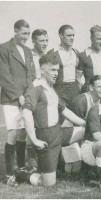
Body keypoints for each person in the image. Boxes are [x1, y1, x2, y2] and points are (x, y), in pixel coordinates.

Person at [21, 53, 86, 187]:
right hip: (45, 137)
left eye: (57, 70)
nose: (56, 73)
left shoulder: (52, 88)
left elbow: (65, 111)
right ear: (42, 70)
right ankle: (23, 173)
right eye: (52, 70)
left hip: (58, 132)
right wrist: (34, 140)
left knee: (87, 130)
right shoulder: (36, 89)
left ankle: (90, 167)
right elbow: (26, 113)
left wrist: (86, 123)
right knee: (48, 183)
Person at [0, 19, 34, 186]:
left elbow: (31, 76)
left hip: (25, 98)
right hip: (11, 99)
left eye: (28, 34)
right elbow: (4, 76)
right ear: (15, 31)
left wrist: (27, 95)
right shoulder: (4, 48)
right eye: (23, 34)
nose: (26, 37)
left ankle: (20, 168)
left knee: (22, 133)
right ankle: (8, 174)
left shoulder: (28, 51)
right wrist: (18, 96)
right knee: (13, 133)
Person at [27, 29, 49, 171]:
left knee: (44, 124)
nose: (45, 43)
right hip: (32, 92)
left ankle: (46, 159)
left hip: (46, 93)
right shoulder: (29, 55)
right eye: (42, 40)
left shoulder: (49, 55)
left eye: (46, 40)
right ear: (34, 41)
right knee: (31, 126)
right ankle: (32, 163)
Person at [48, 25, 81, 111]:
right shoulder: (53, 53)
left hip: (74, 90)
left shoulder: (76, 52)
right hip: (60, 90)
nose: (72, 38)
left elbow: (79, 73)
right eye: (69, 35)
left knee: (75, 116)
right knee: (60, 117)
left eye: (73, 35)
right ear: (61, 36)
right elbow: (48, 75)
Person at [77, 25, 101, 93]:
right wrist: (83, 90)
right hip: (90, 91)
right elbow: (77, 77)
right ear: (91, 38)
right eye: (99, 39)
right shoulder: (84, 55)